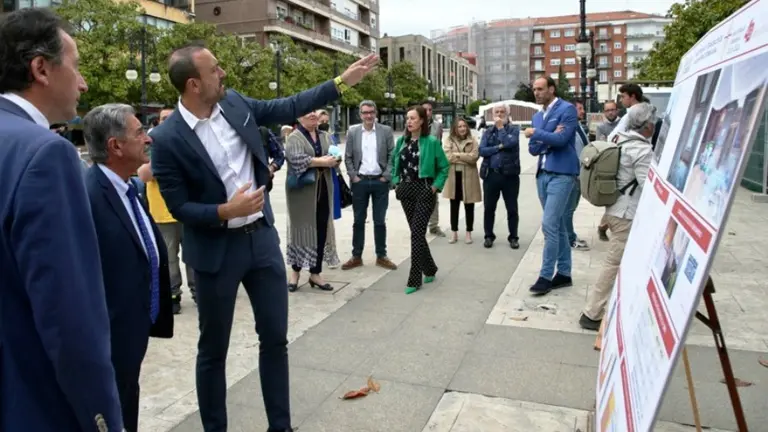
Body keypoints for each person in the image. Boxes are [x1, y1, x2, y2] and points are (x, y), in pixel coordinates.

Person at [149, 40, 377, 432]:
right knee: (213, 351)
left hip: (261, 244)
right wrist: (224, 212)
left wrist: (342, 81)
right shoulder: (167, 139)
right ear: (193, 85)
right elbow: (179, 207)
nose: (223, 74)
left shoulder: (235, 103)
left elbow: (287, 106)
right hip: (215, 253)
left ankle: (280, 426)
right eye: (214, 70)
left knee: (275, 339)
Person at [0, 8, 125, 431]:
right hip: (33, 404)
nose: (84, 82)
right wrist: (103, 418)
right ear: (41, 69)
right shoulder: (45, 154)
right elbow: (71, 318)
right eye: (76, 66)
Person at [83, 104, 175, 431]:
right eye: (139, 132)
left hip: (132, 330)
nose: (148, 138)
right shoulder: (89, 196)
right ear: (115, 146)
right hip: (111, 335)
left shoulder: (128, 187)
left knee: (126, 401)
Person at [580, 103, 655, 331]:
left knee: (624, 261)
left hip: (613, 209)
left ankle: (624, 305)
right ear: (647, 125)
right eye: (653, 122)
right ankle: (591, 313)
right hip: (626, 214)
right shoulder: (641, 150)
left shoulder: (618, 138)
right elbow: (648, 187)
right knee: (613, 263)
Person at [138, 107, 196, 313]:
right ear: (157, 122)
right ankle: (173, 296)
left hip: (189, 208)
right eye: (164, 118)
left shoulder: (189, 140)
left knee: (193, 254)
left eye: (172, 118)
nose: (168, 121)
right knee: (169, 257)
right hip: (162, 212)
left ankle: (198, 291)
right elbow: (144, 175)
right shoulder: (151, 145)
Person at [526, 76, 580, 296]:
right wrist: (548, 136)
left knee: (549, 225)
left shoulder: (567, 109)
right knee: (557, 226)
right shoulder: (538, 116)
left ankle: (546, 275)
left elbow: (562, 139)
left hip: (562, 174)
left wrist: (539, 135)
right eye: (534, 89)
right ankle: (564, 274)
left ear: (551, 89)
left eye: (540, 89)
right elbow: (532, 148)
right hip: (543, 174)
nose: (536, 93)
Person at [391, 105, 450, 294]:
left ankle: (415, 278)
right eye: (407, 118)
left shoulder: (431, 142)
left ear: (422, 121)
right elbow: (394, 162)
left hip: (425, 189)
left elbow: (444, 167)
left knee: (416, 234)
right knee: (417, 233)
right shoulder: (402, 141)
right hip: (406, 190)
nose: (409, 121)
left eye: (413, 118)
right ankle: (430, 268)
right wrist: (395, 182)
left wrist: (435, 187)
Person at [285, 111, 340, 292]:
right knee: (301, 229)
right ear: (299, 117)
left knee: (321, 229)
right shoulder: (294, 137)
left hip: (323, 188)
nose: (313, 115)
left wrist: (335, 159)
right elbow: (295, 159)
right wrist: (321, 162)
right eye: (308, 113)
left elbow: (335, 155)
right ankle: (295, 272)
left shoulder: (325, 135)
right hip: (301, 192)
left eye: (315, 112)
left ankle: (315, 273)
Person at [341, 100, 398, 270]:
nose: (368, 115)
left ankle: (381, 255)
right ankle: (356, 256)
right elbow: (348, 157)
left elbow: (392, 155)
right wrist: (353, 176)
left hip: (380, 182)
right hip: (360, 182)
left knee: (379, 221)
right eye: (365, 112)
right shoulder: (353, 132)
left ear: (375, 113)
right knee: (358, 220)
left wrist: (386, 176)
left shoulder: (385, 131)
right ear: (360, 114)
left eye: (371, 112)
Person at [478, 104, 521, 249]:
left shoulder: (514, 130)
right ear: (492, 114)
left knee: (512, 209)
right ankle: (488, 236)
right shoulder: (488, 132)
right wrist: (499, 147)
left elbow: (510, 143)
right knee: (489, 208)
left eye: (503, 112)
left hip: (510, 176)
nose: (500, 114)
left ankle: (513, 237)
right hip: (491, 175)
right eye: (497, 112)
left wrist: (501, 129)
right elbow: (482, 150)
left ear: (508, 114)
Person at [443, 117, 481, 244]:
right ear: (455, 128)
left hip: (469, 177)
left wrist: (457, 155)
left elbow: (474, 158)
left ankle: (468, 233)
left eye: (464, 126)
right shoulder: (449, 140)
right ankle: (454, 233)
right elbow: (448, 157)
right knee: (454, 206)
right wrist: (465, 157)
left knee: (469, 205)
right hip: (454, 177)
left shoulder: (473, 140)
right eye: (459, 126)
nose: (462, 128)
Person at [562, 100, 591, 252]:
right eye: (579, 109)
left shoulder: (579, 127)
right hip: (572, 174)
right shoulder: (568, 128)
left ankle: (569, 235)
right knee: (568, 209)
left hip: (580, 174)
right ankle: (569, 239)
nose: (583, 111)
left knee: (571, 208)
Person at [421, 99, 446, 237]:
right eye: (425, 110)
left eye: (430, 110)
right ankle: (419, 226)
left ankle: (434, 225)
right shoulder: (414, 123)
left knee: (433, 196)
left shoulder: (437, 126)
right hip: (418, 165)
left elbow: (439, 144)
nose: (428, 113)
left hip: (432, 166)